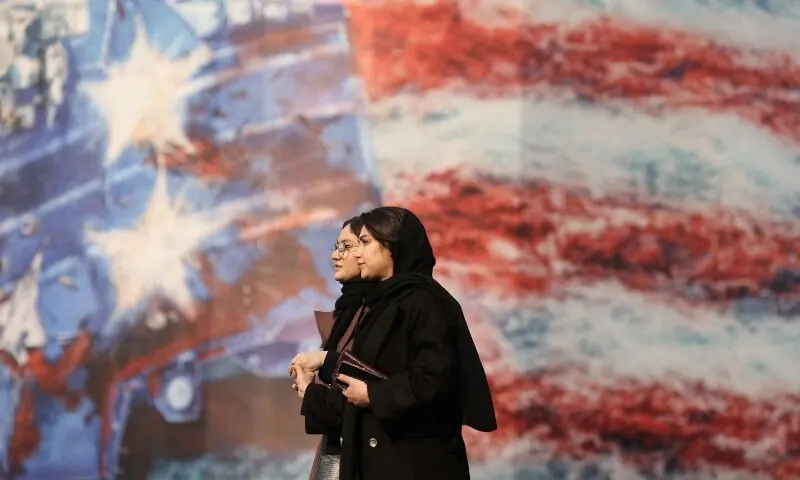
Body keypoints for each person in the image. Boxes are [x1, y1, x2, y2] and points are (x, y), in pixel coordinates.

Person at [290, 206, 496, 480]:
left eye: (364, 243)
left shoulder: (426, 302)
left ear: (392, 248)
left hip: (414, 463)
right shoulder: (382, 304)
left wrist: (373, 395)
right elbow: (367, 377)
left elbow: (435, 380)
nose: (357, 254)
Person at [290, 216, 376, 479]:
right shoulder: (345, 313)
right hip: (337, 449)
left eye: (348, 246)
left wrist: (313, 391)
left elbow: (376, 395)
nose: (336, 256)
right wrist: (311, 390)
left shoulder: (379, 314)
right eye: (335, 247)